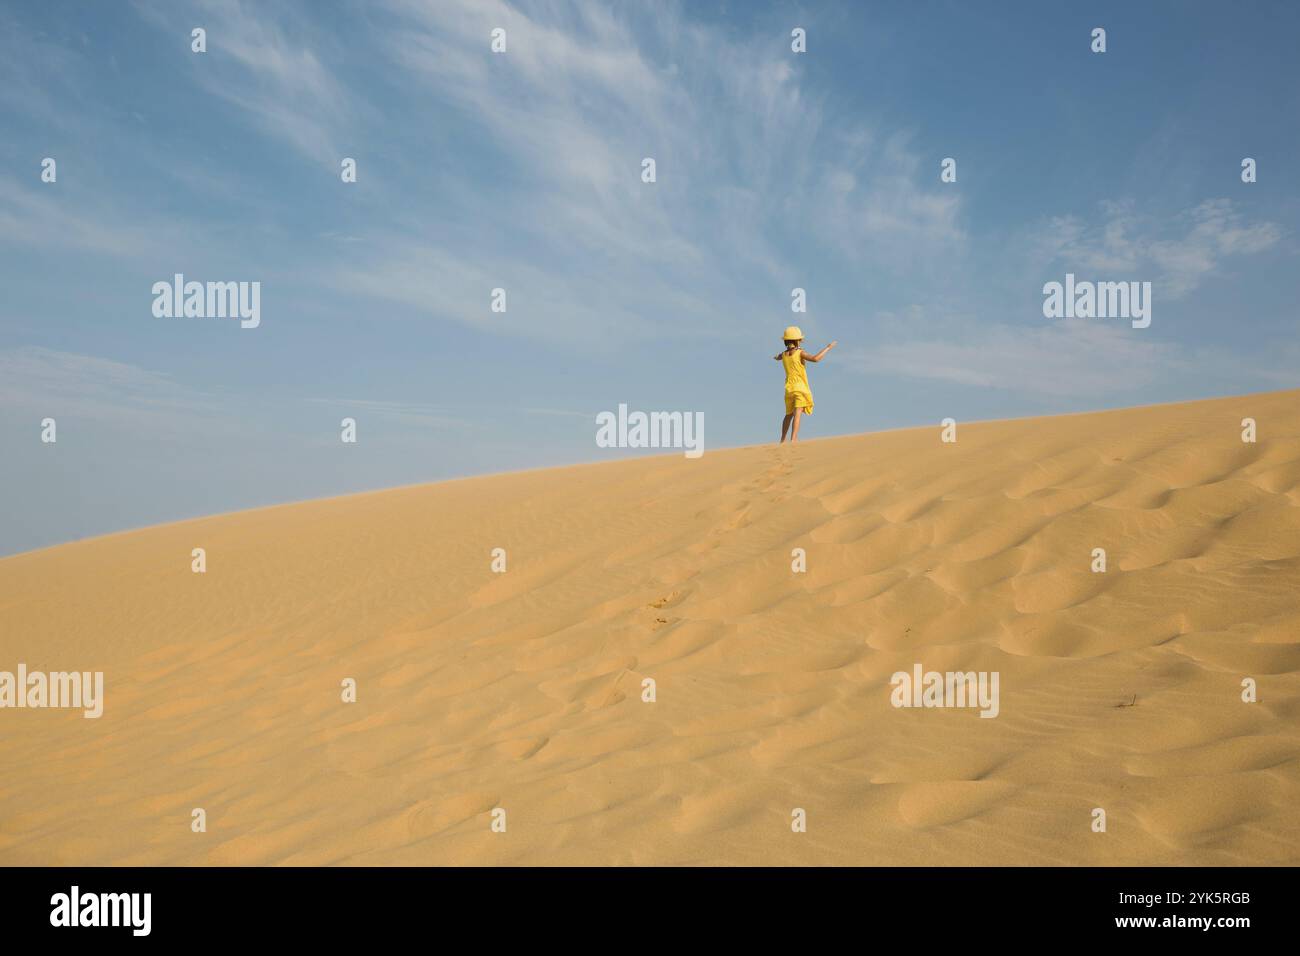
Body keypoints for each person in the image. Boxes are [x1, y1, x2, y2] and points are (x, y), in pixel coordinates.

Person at [774, 326, 836, 443]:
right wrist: (828, 347)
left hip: (788, 389)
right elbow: (815, 359)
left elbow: (778, 357)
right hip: (800, 388)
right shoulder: (800, 352)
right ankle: (793, 440)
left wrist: (776, 357)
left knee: (788, 414)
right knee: (797, 413)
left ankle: (782, 440)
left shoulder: (784, 355)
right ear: (797, 340)